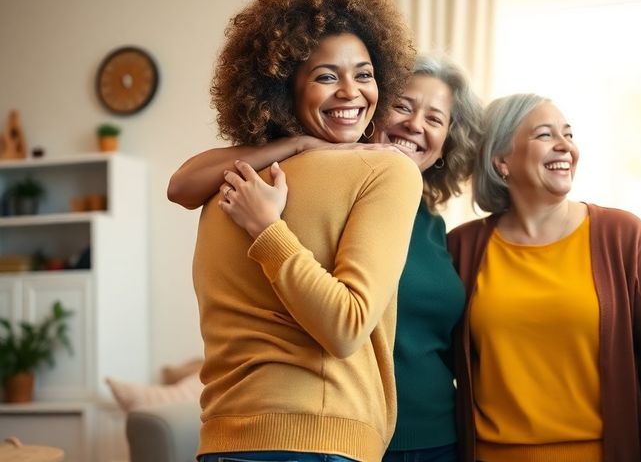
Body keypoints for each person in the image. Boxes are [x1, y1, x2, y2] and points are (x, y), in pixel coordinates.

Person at [168, 55, 483, 461]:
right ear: (374, 110)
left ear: (445, 145)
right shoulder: (320, 186)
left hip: (439, 436)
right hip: (349, 430)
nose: (415, 124)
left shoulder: (437, 230)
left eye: (435, 119)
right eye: (404, 106)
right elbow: (181, 186)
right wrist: (295, 146)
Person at [187, 0, 423, 462]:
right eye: (326, 76)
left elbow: (178, 185)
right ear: (283, 86)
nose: (351, 92)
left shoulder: (224, 183)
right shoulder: (385, 170)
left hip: (223, 442)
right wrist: (270, 232)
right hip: (319, 440)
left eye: (364, 74)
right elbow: (346, 325)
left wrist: (292, 146)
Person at [446, 94, 641, 462]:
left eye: (568, 134)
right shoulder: (462, 248)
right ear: (501, 161)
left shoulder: (622, 235)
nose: (565, 147)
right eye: (545, 135)